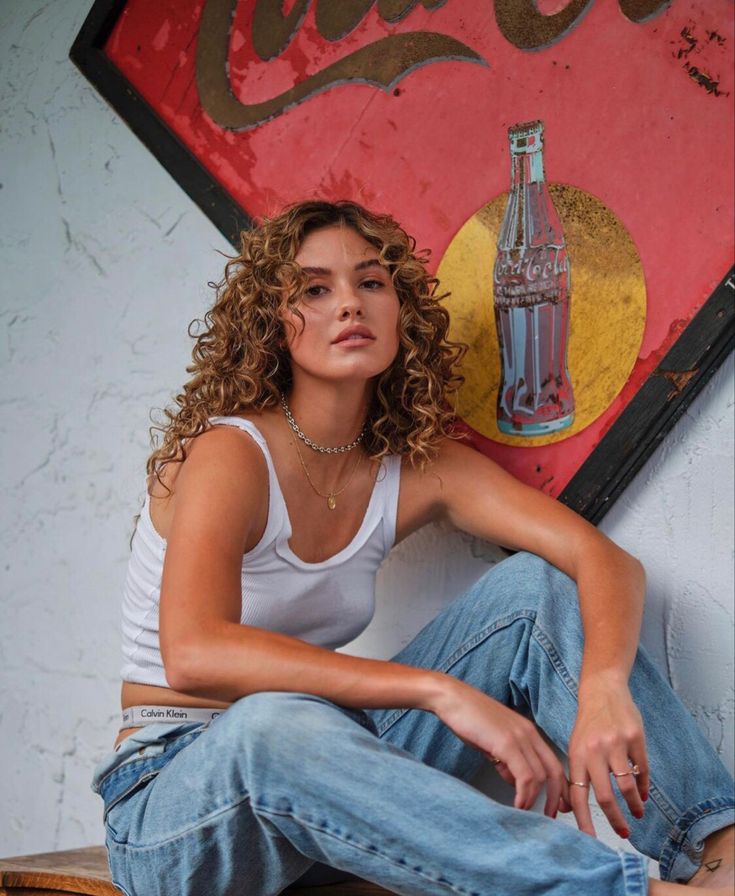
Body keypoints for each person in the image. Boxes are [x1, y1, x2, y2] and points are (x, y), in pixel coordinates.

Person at [92, 200, 733, 896]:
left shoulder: (414, 468)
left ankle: (717, 850)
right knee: (275, 724)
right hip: (176, 809)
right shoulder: (230, 454)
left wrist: (603, 686)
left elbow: (600, 561)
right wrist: (437, 691)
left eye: (370, 283)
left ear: (400, 310)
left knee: (531, 593)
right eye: (314, 289)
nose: (348, 305)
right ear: (271, 325)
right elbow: (194, 652)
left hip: (336, 782)